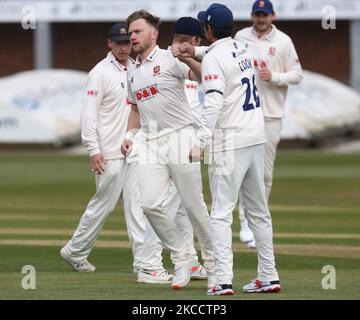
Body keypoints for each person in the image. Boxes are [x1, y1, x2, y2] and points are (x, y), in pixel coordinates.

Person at [176, 3, 281, 295]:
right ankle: (269, 276)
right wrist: (191, 52)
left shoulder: (214, 58)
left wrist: (200, 142)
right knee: (259, 212)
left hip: (229, 141)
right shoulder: (243, 47)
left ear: (208, 29)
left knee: (221, 213)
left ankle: (222, 279)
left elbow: (213, 103)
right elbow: (216, 55)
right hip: (256, 137)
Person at [121, 10, 215, 290]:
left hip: (180, 137)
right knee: (149, 204)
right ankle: (182, 255)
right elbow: (135, 108)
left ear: (154, 34)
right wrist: (129, 134)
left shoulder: (168, 58)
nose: (132, 37)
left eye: (137, 31)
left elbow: (202, 77)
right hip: (150, 142)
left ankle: (215, 263)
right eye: (131, 32)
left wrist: (186, 56)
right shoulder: (132, 69)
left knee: (194, 207)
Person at [59, 23, 152, 276]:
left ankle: (143, 263)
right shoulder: (99, 72)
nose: (124, 47)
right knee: (103, 205)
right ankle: (75, 251)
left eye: (127, 42)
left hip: (133, 148)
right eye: (118, 43)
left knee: (138, 207)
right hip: (108, 152)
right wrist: (93, 149)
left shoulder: (137, 67)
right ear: (109, 43)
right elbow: (88, 115)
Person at [234, 0, 303, 248]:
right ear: (252, 15)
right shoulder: (241, 37)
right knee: (242, 169)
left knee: (264, 173)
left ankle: (255, 223)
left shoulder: (283, 41)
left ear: (272, 15)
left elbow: (297, 74)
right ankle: (244, 223)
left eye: (265, 14)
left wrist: (273, 77)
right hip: (245, 113)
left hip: (271, 114)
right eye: (257, 14)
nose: (261, 19)